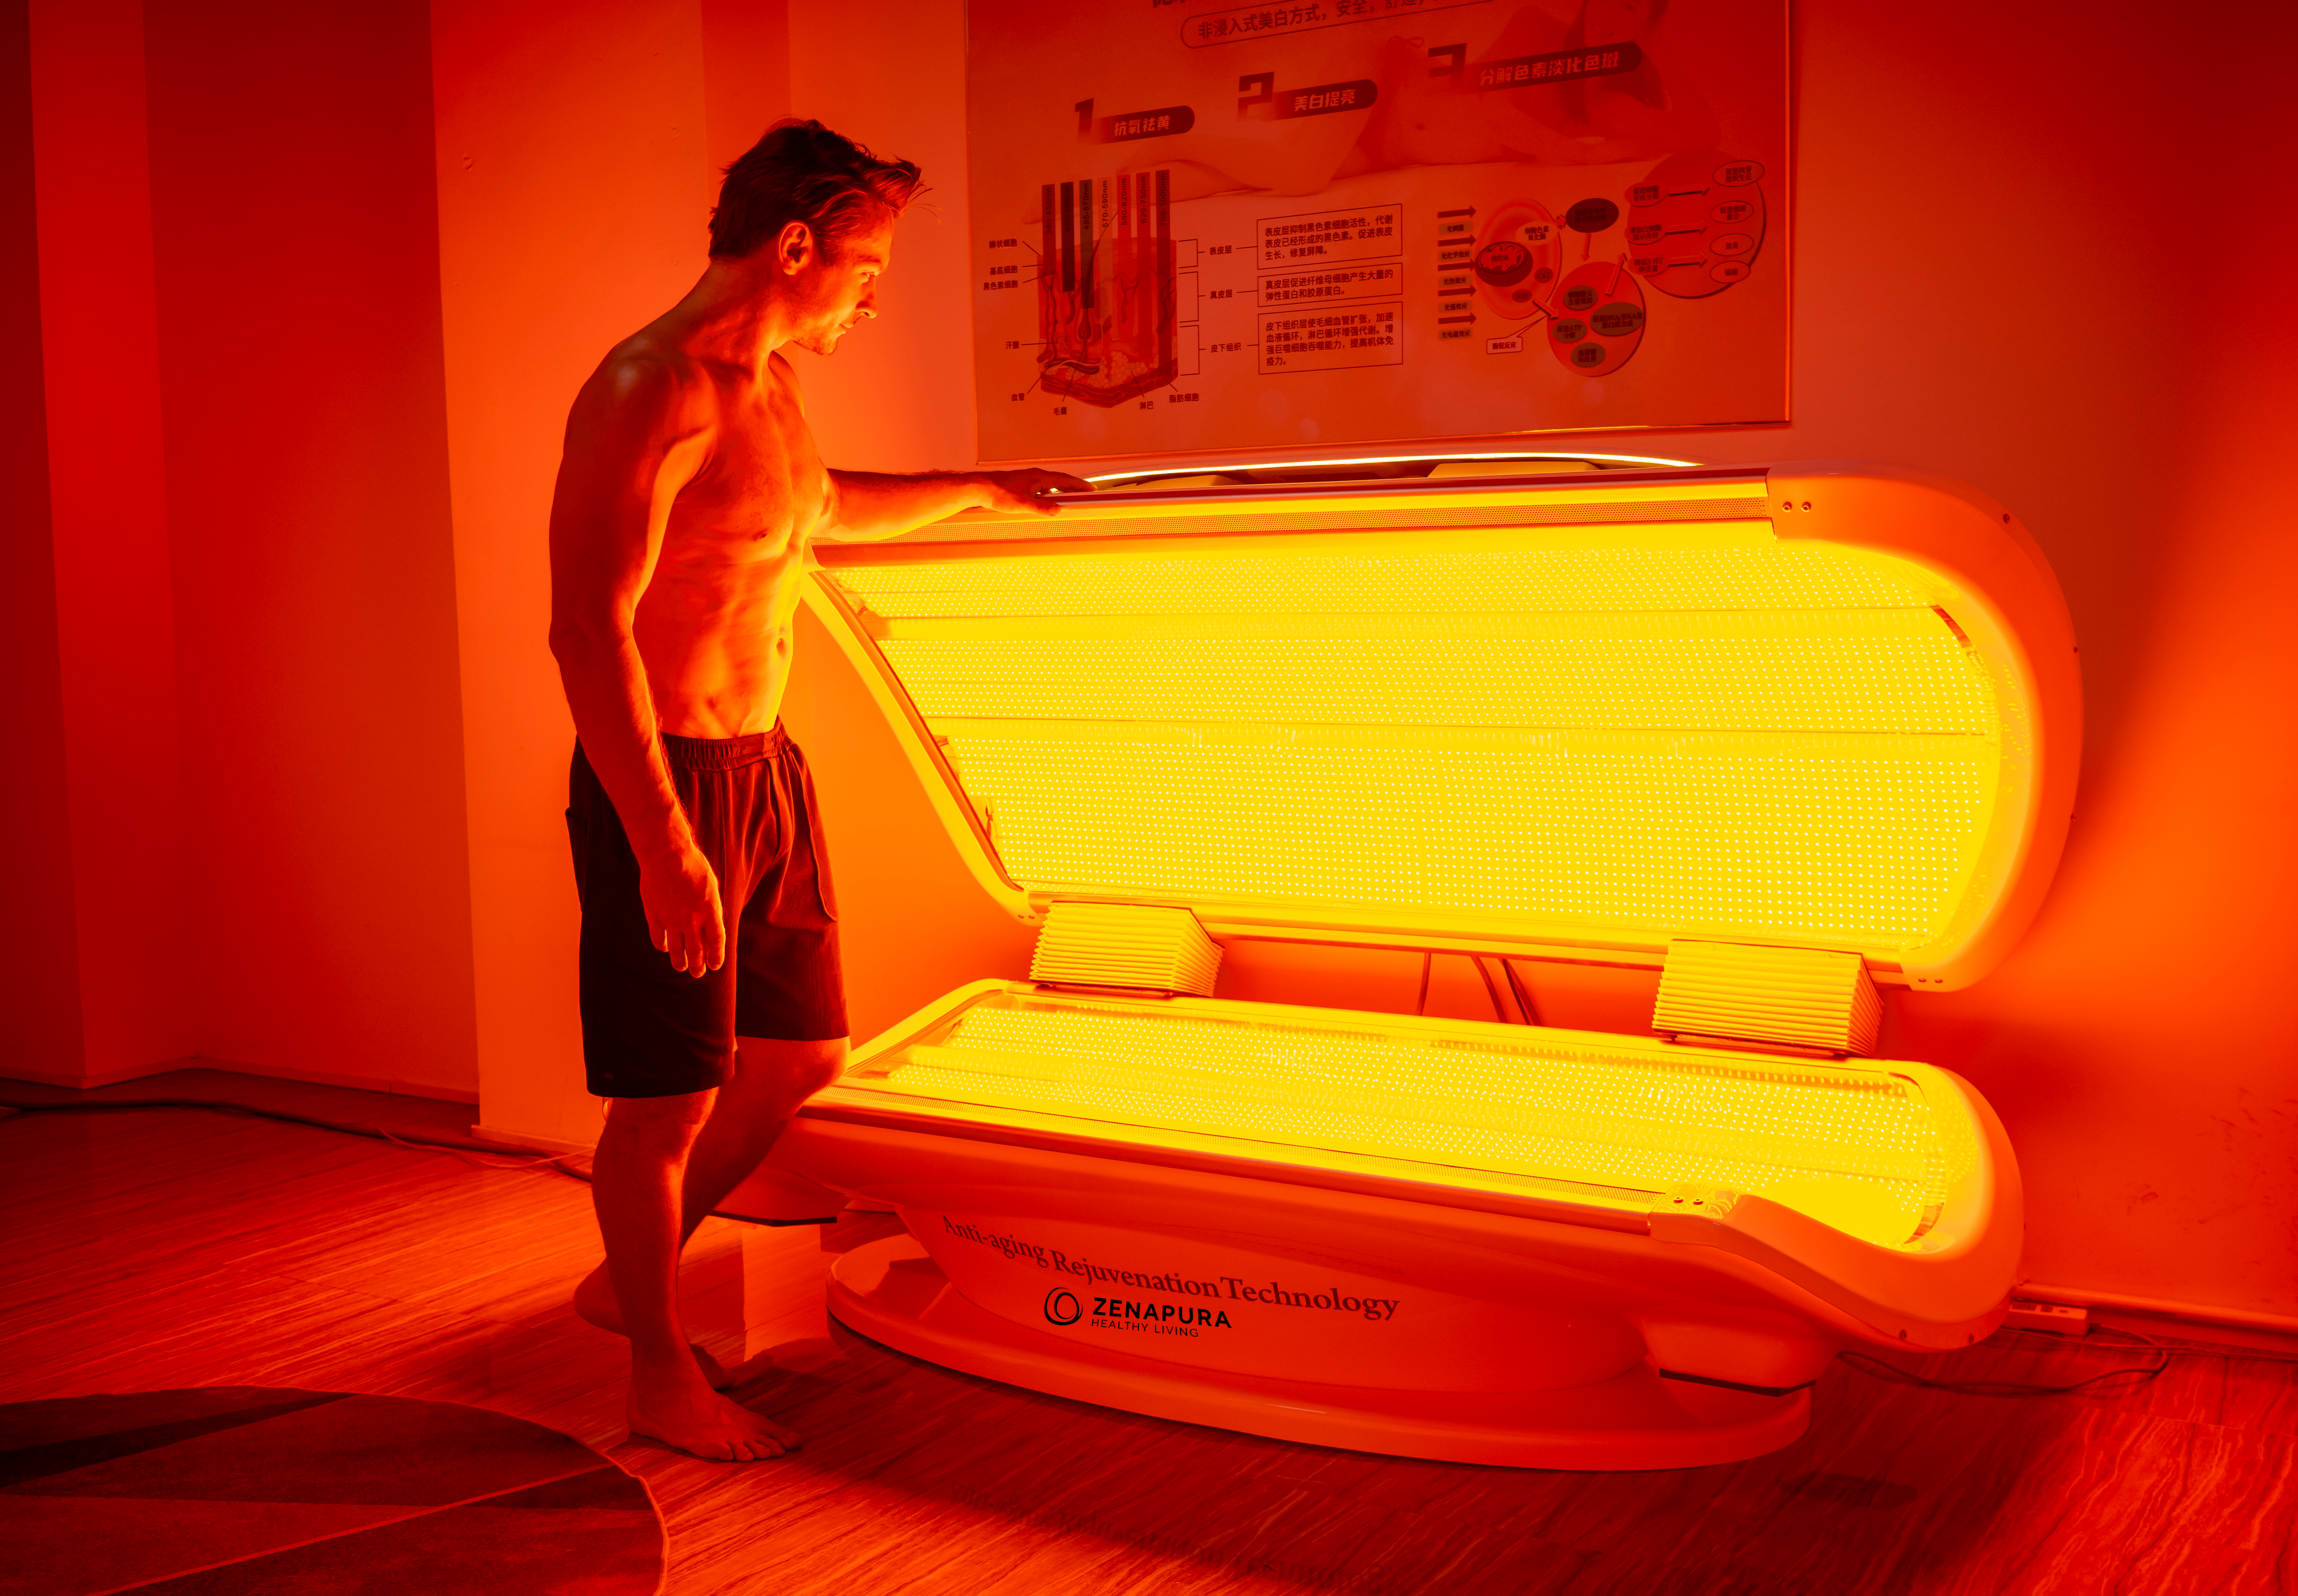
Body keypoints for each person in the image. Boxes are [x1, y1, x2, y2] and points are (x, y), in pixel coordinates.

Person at [547, 118, 1088, 1463]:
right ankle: (657, 1372)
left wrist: (982, 492)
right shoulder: (646, 388)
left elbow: (818, 507)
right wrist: (663, 844)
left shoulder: (773, 387)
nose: (870, 296)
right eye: (867, 267)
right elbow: (586, 631)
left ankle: (634, 1276)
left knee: (802, 1056)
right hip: (665, 778)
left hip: (764, 763)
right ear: (798, 243)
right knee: (666, 1099)